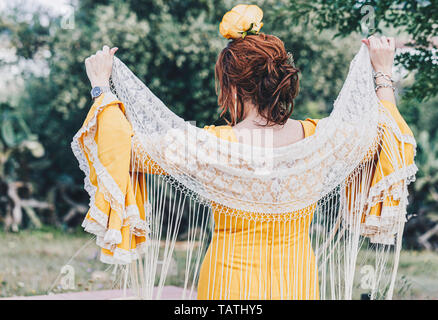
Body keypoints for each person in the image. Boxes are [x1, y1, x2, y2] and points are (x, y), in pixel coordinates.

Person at [77, 5, 415, 300]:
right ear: (281, 80)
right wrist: (382, 74)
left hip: (228, 285)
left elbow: (126, 151)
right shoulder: (321, 140)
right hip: (296, 284)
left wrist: (101, 88)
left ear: (231, 86)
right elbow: (390, 137)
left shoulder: (210, 146)